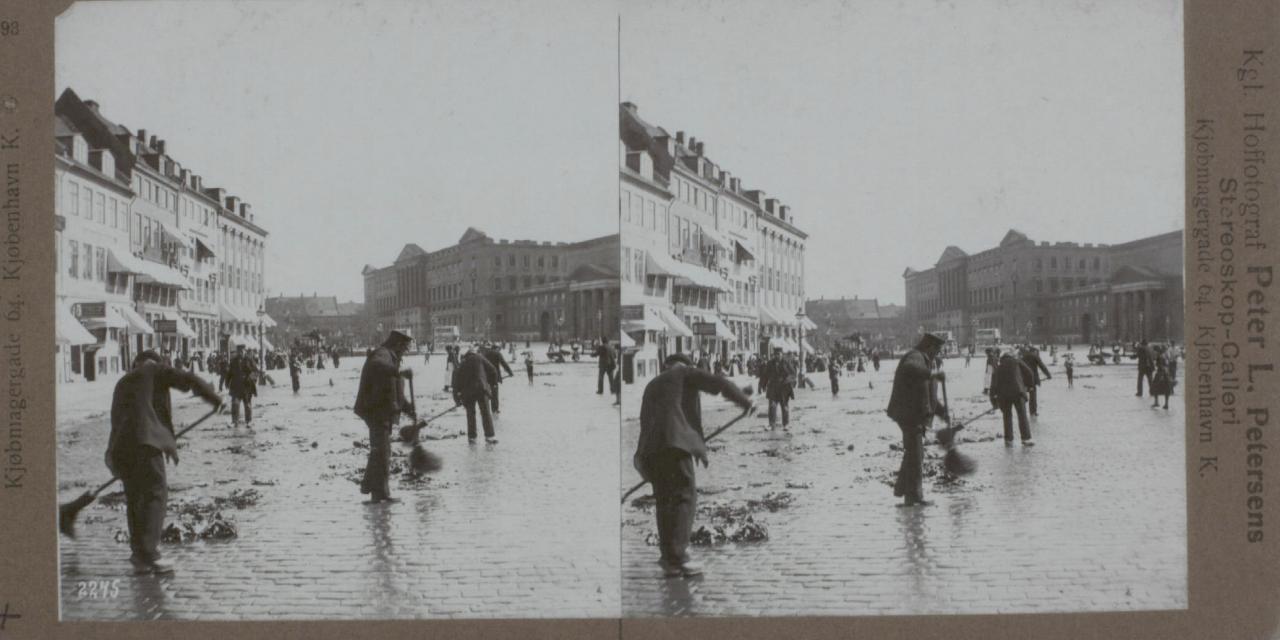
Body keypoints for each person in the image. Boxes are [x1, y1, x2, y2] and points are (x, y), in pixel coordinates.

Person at [634, 353, 753, 578]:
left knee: (665, 500)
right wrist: (745, 402)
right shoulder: (684, 373)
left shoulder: (652, 384)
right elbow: (719, 383)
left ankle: (669, 558)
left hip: (652, 450)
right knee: (685, 496)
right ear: (686, 365)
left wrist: (643, 458)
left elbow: (647, 420)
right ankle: (680, 556)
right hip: (675, 445)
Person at [106, 350, 223, 575]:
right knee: (156, 492)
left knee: (135, 499)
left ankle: (139, 555)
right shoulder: (154, 369)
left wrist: (112, 456)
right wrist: (215, 399)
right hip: (145, 445)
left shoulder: (122, 382)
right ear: (154, 362)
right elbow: (188, 379)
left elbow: (118, 420)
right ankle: (150, 553)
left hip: (123, 448)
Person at [885, 333, 948, 507]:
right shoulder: (915, 356)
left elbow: (930, 395)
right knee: (916, 454)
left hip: (914, 414)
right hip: (908, 414)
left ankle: (902, 488)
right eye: (937, 350)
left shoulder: (927, 362)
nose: (938, 353)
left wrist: (942, 412)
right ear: (929, 347)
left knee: (913, 452)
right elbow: (910, 369)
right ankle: (914, 497)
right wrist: (933, 374)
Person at [353, 331, 416, 504]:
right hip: (375, 410)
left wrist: (411, 411)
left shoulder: (393, 360)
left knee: (380, 450)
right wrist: (400, 371)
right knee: (381, 450)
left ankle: (372, 488)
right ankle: (379, 493)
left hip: (384, 411)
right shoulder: (382, 354)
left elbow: (398, 395)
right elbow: (376, 365)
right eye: (404, 348)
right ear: (397, 345)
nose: (405, 352)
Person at [453, 349, 499, 444]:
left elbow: (455, 383)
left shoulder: (462, 363)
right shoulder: (480, 357)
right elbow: (493, 370)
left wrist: (457, 400)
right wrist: (493, 384)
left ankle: (472, 437)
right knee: (486, 413)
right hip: (482, 389)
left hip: (468, 393)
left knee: (470, 414)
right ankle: (490, 436)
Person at [991, 352, 1035, 446]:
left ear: (1002, 359)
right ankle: (1026, 439)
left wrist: (994, 402)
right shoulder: (1017, 361)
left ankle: (1008, 439)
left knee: (1007, 416)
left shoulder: (999, 367)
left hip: (1004, 396)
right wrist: (1029, 386)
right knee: (1022, 415)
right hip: (1018, 393)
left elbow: (993, 385)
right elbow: (1029, 372)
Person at [759, 347, 796, 429]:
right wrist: (763, 385)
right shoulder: (770, 363)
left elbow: (793, 374)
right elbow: (765, 375)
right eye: (775, 354)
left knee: (785, 407)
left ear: (782, 354)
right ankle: (771, 424)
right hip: (773, 388)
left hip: (784, 388)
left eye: (778, 354)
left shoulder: (786, 363)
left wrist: (788, 380)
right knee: (772, 406)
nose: (777, 356)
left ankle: (785, 424)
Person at [225, 345, 259, 428]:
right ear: (237, 352)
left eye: (242, 351)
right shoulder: (233, 361)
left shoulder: (249, 360)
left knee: (247, 404)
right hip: (236, 386)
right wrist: (227, 382)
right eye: (239, 351)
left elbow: (255, 371)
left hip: (247, 386)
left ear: (245, 351)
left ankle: (249, 421)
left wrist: (251, 379)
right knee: (235, 404)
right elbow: (229, 373)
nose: (241, 352)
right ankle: (234, 422)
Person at [480, 343, 514, 414]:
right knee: (494, 393)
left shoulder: (485, 354)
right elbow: (504, 363)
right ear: (497, 348)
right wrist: (510, 372)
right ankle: (495, 409)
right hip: (494, 376)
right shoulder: (497, 354)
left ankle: (485, 409)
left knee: (485, 392)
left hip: (485, 376)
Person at [1020, 347, 1052, 416]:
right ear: (1034, 351)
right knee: (1033, 396)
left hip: (1023, 379)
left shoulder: (1023, 357)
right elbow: (1042, 366)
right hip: (1032, 380)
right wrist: (1048, 375)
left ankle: (1022, 411)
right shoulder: (1035, 356)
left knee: (1022, 395)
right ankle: (1033, 412)